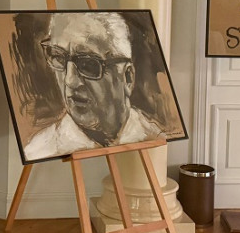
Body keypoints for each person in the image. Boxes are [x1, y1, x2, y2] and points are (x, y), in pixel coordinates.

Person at [23, 12, 163, 160]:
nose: (70, 81)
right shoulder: (39, 150)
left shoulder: (154, 136)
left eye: (88, 65)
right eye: (59, 57)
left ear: (127, 77)